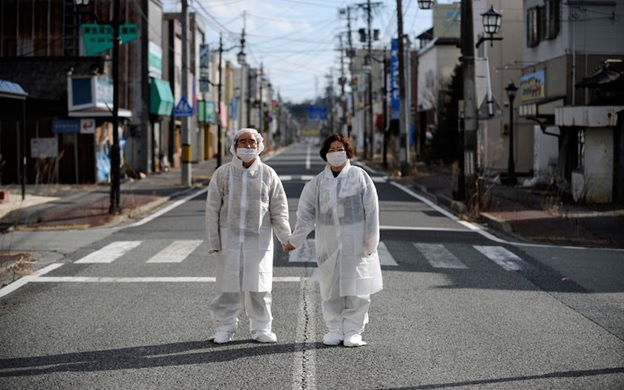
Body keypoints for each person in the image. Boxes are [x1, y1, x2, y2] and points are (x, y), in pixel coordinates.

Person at [284, 133, 383, 347]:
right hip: (327, 240)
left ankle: (354, 330)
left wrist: (370, 241)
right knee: (330, 287)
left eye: (340, 149)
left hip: (356, 239)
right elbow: (306, 214)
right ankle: (335, 328)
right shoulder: (317, 183)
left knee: (358, 288)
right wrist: (295, 240)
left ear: (348, 153)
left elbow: (372, 210)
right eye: (332, 150)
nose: (336, 153)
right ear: (325, 155)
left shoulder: (360, 177)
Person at [205, 128, 291, 344]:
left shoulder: (268, 174)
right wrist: (214, 240)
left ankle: (262, 328)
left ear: (259, 145)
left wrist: (285, 237)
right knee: (227, 285)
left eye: (252, 142)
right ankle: (224, 327)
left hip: (259, 239)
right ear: (234, 146)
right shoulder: (222, 173)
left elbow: (278, 209)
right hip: (229, 239)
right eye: (242, 142)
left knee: (259, 287)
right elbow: (212, 209)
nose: (247, 146)